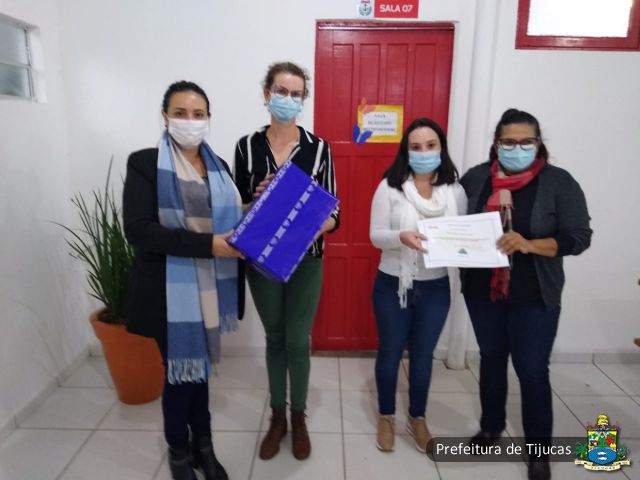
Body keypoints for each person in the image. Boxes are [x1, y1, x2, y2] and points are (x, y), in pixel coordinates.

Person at [460, 109, 592, 480]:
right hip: (483, 290)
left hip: (535, 295)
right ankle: (491, 426)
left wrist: (530, 244)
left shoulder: (558, 182)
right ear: (496, 144)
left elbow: (579, 237)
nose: (517, 148)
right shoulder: (476, 178)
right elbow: (456, 224)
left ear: (538, 143)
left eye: (526, 142)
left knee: (532, 370)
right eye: (509, 142)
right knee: (490, 358)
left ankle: (538, 452)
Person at [123, 81, 243, 480]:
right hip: (167, 292)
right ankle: (179, 452)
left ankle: (203, 447)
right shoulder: (145, 163)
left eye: (198, 114)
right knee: (180, 376)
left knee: (200, 372)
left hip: (209, 288)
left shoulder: (219, 167)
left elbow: (227, 219)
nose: (190, 121)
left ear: (208, 118)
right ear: (165, 117)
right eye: (180, 113)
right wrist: (208, 245)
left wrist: (258, 204)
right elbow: (139, 230)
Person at [233, 61, 339, 461]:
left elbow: (335, 213)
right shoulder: (245, 147)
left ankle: (299, 416)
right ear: (267, 95)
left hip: (306, 259)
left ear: (303, 100)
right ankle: (277, 416)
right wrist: (257, 200)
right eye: (281, 91)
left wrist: (311, 222)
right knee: (275, 338)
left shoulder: (319, 148)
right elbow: (235, 209)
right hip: (262, 260)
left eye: (296, 94)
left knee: (298, 340)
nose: (288, 99)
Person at [369, 118, 466, 453]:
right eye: (416, 147)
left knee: (423, 356)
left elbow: (462, 235)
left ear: (441, 148)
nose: (423, 152)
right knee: (390, 353)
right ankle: (386, 416)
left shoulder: (454, 191)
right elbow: (375, 235)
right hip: (392, 284)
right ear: (406, 151)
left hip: (435, 287)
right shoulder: (390, 187)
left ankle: (418, 417)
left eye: (430, 145)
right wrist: (401, 237)